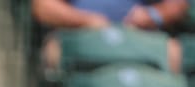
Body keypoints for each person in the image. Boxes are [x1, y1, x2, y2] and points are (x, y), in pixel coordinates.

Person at [33, 0, 186, 73]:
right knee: (54, 52)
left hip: (137, 35)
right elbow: (43, 7)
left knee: (174, 54)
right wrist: (85, 20)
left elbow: (177, 5)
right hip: (81, 35)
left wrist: (150, 15)